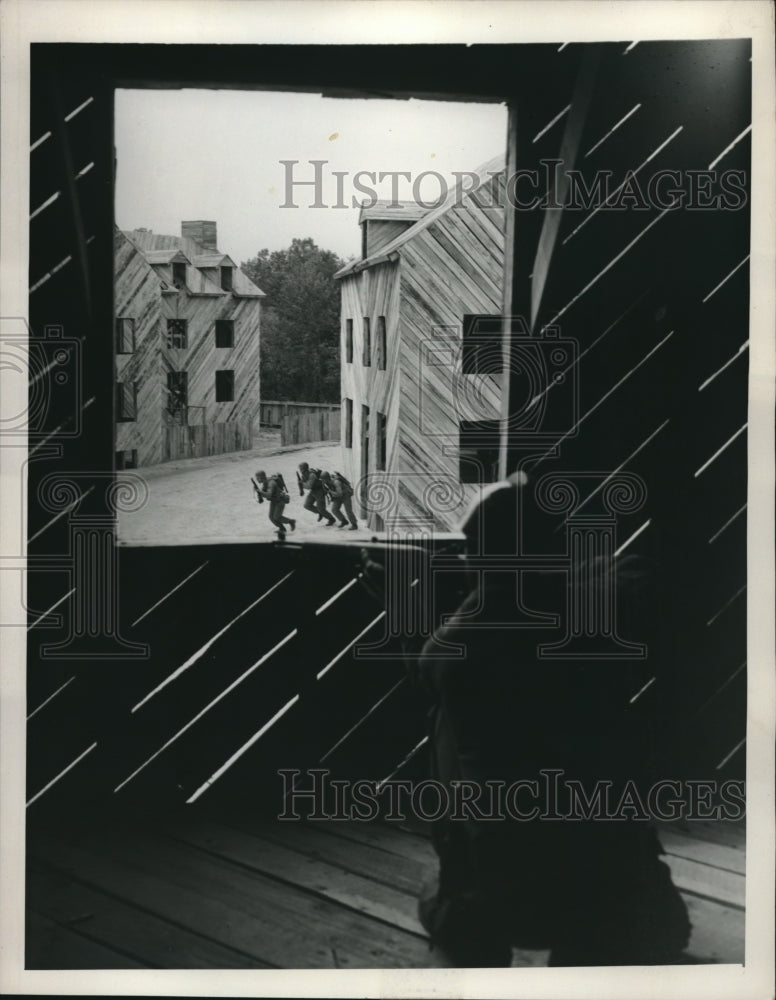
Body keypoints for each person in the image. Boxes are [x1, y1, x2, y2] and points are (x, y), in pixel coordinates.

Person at [368, 477, 691, 967]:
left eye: (474, 549)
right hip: (612, 896)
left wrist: (404, 606)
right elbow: (627, 571)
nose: (467, 559)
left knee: (452, 722)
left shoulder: (460, 647)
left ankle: (461, 898)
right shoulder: (603, 611)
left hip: (509, 904)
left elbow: (428, 672)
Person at [298, 461, 336, 526]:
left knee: (321, 508)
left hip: (320, 491)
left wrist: (301, 484)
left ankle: (331, 519)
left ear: (304, 468)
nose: (300, 470)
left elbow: (309, 486)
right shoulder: (304, 475)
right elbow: (303, 483)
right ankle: (320, 513)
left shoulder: (312, 475)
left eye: (301, 468)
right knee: (307, 505)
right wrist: (301, 488)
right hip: (313, 491)